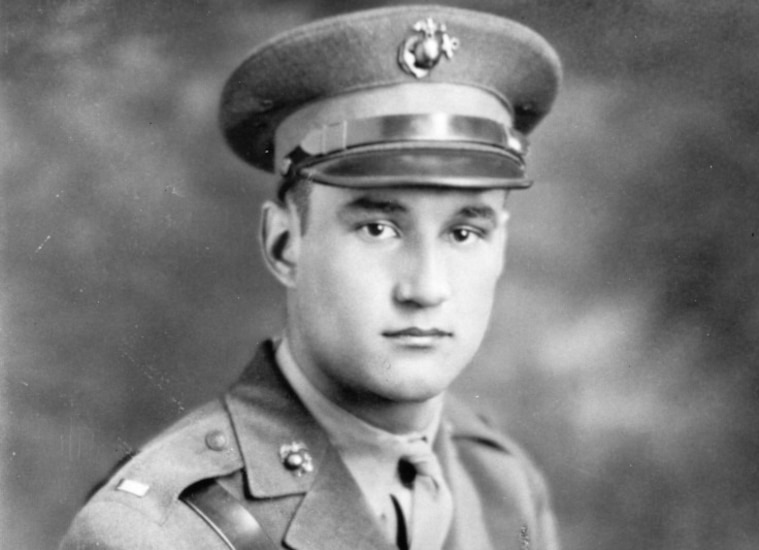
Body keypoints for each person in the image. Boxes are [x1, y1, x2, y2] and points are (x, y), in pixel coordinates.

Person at [61, 5, 562, 549]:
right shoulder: (155, 534)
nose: (426, 288)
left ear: (501, 246)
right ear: (284, 244)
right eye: (377, 228)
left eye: (464, 234)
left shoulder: (503, 484)